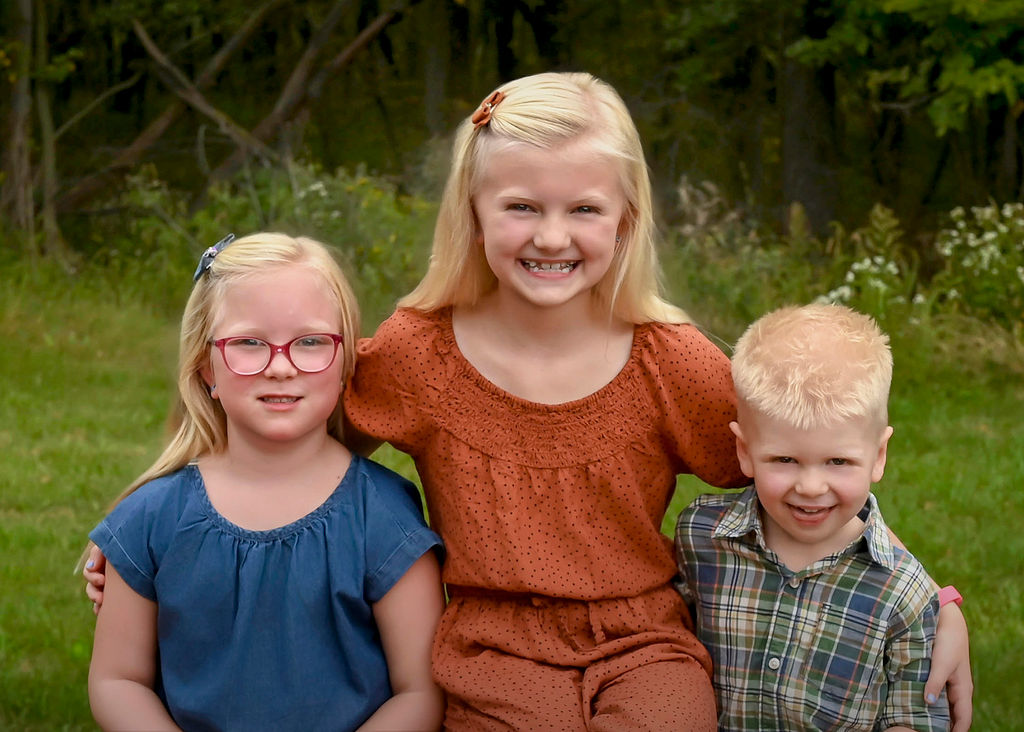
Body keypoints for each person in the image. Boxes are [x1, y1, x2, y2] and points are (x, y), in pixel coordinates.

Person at [87, 72, 972, 729]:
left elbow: (810, 462)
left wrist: (929, 607)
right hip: (489, 648)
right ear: (472, 212)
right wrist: (158, 551)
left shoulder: (670, 361)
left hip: (644, 641)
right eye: (520, 206)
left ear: (626, 218)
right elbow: (280, 432)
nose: (552, 236)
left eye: (585, 208)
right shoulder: (417, 355)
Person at [86, 232, 445, 731]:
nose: (280, 366)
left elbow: (421, 692)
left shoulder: (382, 516)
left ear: (346, 363)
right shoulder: (152, 518)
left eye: (312, 342)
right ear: (205, 366)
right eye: (250, 344)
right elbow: (117, 680)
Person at [675, 303, 953, 731]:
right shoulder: (701, 538)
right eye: (785, 459)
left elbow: (913, 716)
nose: (810, 486)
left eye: (837, 461)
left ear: (878, 456)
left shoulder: (903, 592)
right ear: (744, 451)